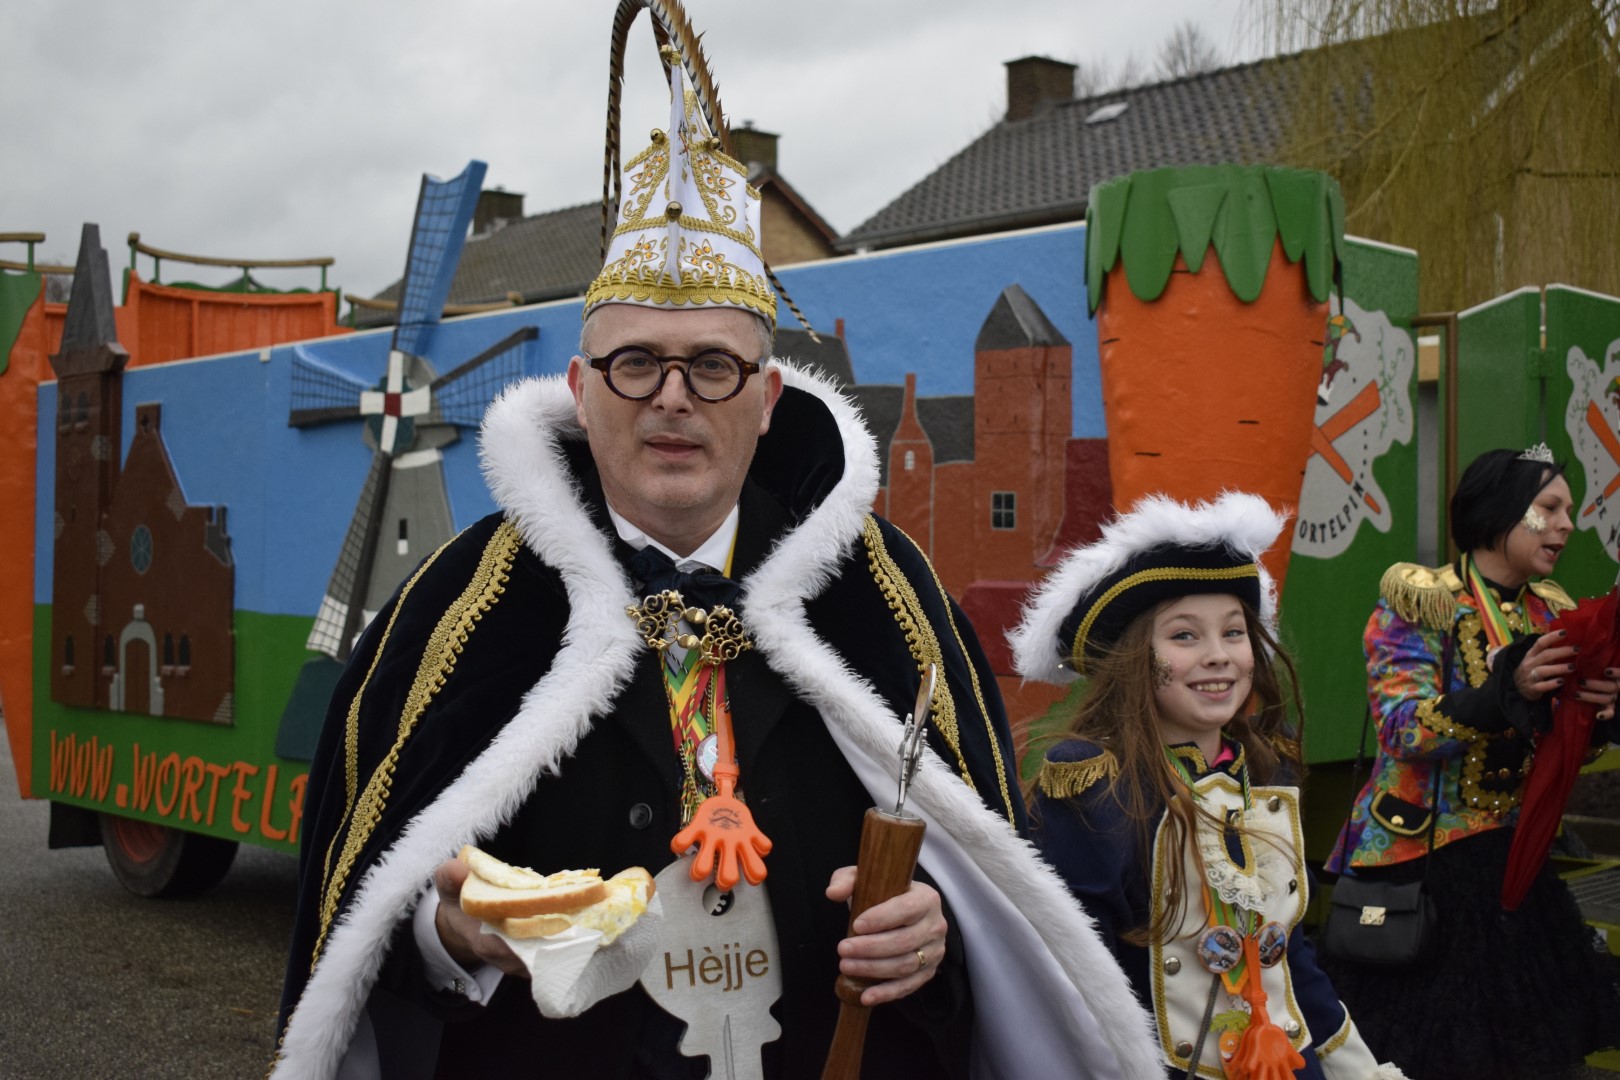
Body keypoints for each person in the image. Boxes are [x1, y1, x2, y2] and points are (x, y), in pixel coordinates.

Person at [273, 7, 1160, 1079]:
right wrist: (448, 931)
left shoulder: (884, 595)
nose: (672, 398)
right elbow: (363, 913)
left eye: (711, 365)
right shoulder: (462, 608)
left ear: (768, 397)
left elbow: (996, 901)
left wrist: (938, 936)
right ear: (580, 389)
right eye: (635, 364)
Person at [1009, 491, 1401, 1079]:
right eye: (1185, 636)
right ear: (1133, 658)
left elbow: (1287, 956)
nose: (1219, 656)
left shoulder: (1267, 771)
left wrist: (1358, 1071)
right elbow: (1074, 973)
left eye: (1234, 633)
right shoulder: (1093, 786)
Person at [1322, 446, 1620, 1078]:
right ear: (1501, 510)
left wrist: (1594, 715)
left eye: (1568, 510)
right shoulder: (1422, 600)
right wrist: (1504, 692)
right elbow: (1401, 729)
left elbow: (1558, 749)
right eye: (1549, 508)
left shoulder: (1549, 610)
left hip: (1510, 859)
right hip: (1423, 860)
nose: (1567, 524)